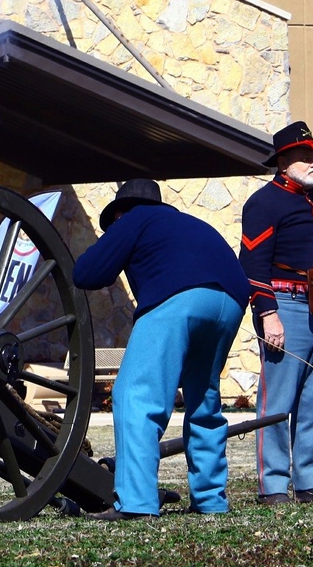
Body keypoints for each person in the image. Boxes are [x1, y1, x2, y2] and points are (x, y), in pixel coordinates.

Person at [73, 180, 251, 519]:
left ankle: (137, 503)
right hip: (230, 301)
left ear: (121, 212)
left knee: (136, 395)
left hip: (178, 297)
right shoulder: (190, 224)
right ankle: (211, 500)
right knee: (204, 400)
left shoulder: (133, 220)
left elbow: (86, 272)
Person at [239, 121, 313, 505]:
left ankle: (309, 482)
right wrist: (267, 314)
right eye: (304, 155)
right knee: (278, 403)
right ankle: (272, 486)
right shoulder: (263, 202)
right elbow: (253, 263)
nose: (312, 161)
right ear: (283, 162)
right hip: (283, 306)